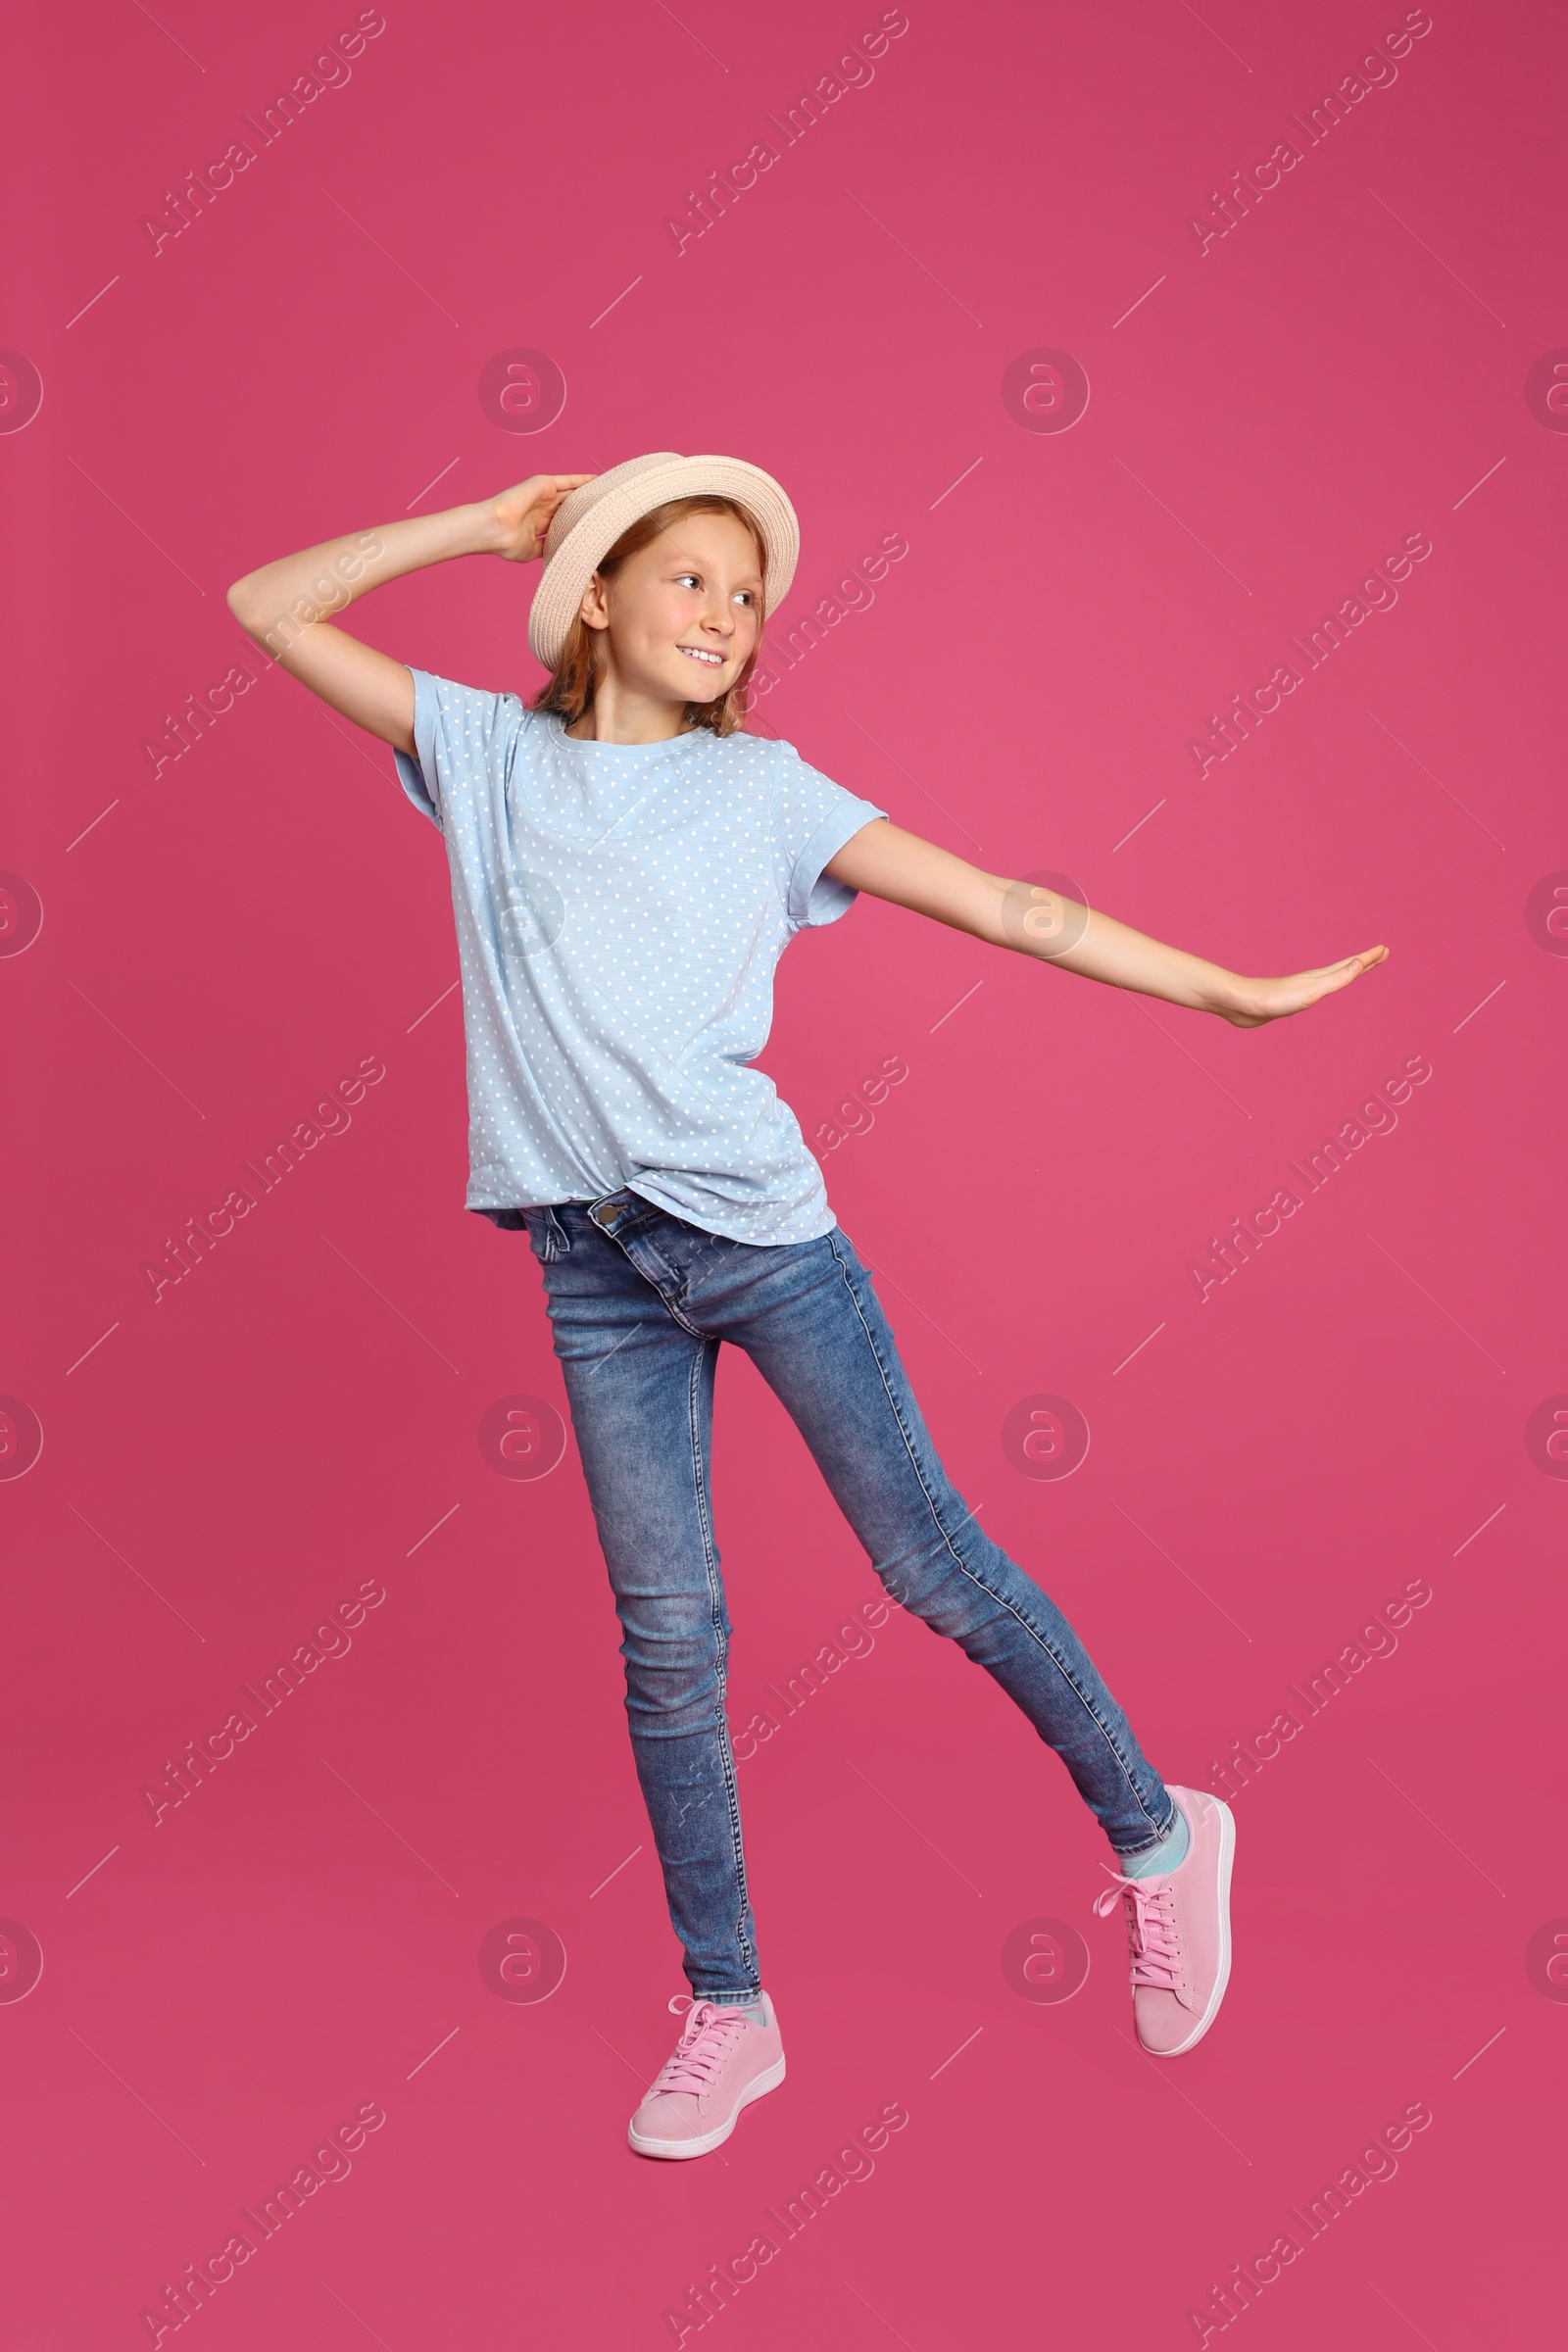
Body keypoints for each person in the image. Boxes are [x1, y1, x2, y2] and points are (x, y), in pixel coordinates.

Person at [227, 453, 1388, 2161]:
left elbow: (1003, 902)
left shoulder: (763, 791)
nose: (727, 611)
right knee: (669, 1645)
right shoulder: (484, 755)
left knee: (929, 1563)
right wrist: (484, 528)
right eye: (689, 577)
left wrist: (1213, 988)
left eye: (748, 592)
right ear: (597, 599)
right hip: (590, 1259)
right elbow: (269, 606)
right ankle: (730, 2009)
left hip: (764, 1241)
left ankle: (1160, 1836)